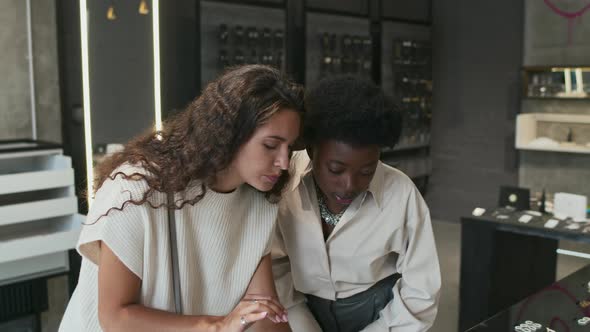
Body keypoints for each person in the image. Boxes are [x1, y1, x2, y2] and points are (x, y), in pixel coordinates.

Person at [59, 65, 303, 332]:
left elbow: (262, 311)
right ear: (231, 133)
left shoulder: (259, 201)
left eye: (289, 147)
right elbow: (116, 317)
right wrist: (218, 326)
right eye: (270, 145)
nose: (283, 162)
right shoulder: (137, 188)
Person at [272, 76, 441, 332]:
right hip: (299, 309)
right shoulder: (283, 181)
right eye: (336, 169)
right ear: (310, 151)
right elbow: (275, 267)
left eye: (366, 171)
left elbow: (422, 289)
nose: (349, 184)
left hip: (380, 315)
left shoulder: (400, 193)